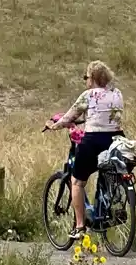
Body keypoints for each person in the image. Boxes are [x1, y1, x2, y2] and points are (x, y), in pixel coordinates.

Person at [42, 61, 123, 243]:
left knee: (77, 182)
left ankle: (80, 226)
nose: (85, 81)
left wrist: (54, 125)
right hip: (117, 139)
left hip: (94, 140)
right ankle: (108, 206)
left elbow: (70, 116)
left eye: (86, 77)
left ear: (92, 78)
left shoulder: (88, 95)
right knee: (106, 170)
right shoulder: (117, 93)